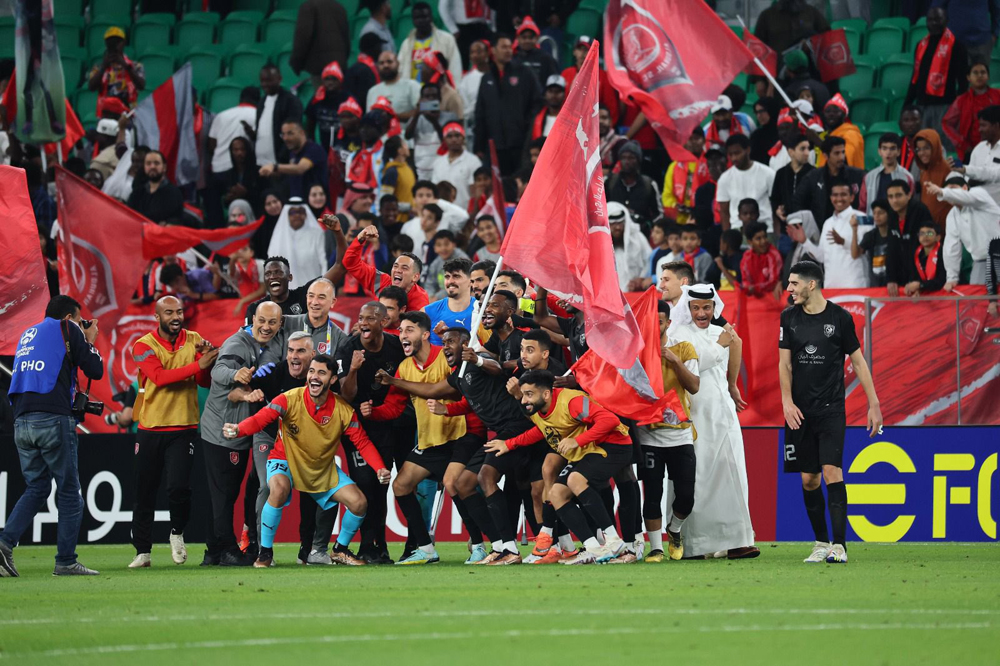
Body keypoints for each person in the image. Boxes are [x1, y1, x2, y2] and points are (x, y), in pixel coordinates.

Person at [225, 355, 391, 567]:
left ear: (332, 380)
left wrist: (380, 469)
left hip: (319, 468)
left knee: (359, 503)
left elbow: (362, 442)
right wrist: (239, 429)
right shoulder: (288, 399)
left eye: (321, 373)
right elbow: (261, 419)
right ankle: (265, 552)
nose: (314, 376)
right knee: (277, 489)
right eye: (312, 371)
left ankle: (339, 550)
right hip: (285, 460)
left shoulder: (343, 410)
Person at [360, 315, 488, 564]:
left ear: (426, 334)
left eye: (410, 330)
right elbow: (394, 407)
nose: (403, 335)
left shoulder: (446, 356)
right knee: (401, 486)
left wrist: (397, 382)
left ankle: (479, 546)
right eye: (400, 331)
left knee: (454, 485)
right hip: (431, 440)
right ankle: (426, 548)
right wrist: (372, 412)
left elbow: (453, 389)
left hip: (459, 434)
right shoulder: (405, 367)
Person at [780, 260, 882, 564]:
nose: (789, 289)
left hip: (831, 410)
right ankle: (821, 542)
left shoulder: (840, 318)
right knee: (809, 479)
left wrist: (873, 403)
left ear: (812, 285)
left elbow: (860, 362)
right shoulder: (788, 318)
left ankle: (840, 546)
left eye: (794, 283)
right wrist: (787, 402)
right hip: (799, 412)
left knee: (831, 471)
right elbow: (784, 364)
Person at [1, 296, 105, 577]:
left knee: (37, 487)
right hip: (52, 419)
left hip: (21, 421)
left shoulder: (27, 334)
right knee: (70, 492)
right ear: (70, 317)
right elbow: (96, 369)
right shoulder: (68, 329)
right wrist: (89, 338)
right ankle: (66, 561)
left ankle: (4, 543)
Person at [485, 369, 633, 565]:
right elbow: (542, 431)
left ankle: (614, 541)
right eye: (523, 395)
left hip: (615, 444)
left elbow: (610, 420)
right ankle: (593, 548)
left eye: (529, 394)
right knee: (556, 494)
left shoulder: (572, 401)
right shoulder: (539, 410)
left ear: (546, 393)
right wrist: (509, 444)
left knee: (575, 479)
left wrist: (577, 441)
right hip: (589, 450)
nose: (524, 401)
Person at [127, 296, 218, 568]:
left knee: (178, 488)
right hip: (150, 427)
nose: (176, 316)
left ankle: (176, 533)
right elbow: (159, 378)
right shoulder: (142, 345)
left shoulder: (194, 339)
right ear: (157, 317)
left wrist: (205, 359)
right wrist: (197, 365)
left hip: (184, 426)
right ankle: (142, 552)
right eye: (169, 313)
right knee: (145, 491)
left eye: (179, 311)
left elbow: (203, 381)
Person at [668, 285, 757, 559]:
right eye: (696, 307)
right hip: (694, 413)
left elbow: (736, 344)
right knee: (699, 477)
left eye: (707, 307)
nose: (702, 313)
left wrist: (732, 385)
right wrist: (720, 346)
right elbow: (695, 366)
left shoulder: (721, 332)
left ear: (714, 307)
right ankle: (695, 546)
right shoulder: (676, 333)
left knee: (733, 474)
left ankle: (738, 541)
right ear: (688, 308)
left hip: (724, 412)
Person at [198, 302, 283, 566]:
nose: (266, 327)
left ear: (280, 325)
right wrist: (238, 373)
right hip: (222, 433)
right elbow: (217, 372)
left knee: (227, 492)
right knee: (225, 493)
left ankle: (213, 552)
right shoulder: (237, 344)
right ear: (252, 320)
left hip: (235, 430)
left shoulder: (265, 345)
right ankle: (227, 550)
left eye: (272, 323)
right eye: (262, 321)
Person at [335, 301, 413, 562]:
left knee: (390, 483)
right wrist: (355, 369)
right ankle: (368, 545)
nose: (364, 323)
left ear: (383, 322)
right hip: (359, 427)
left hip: (392, 423)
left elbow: (407, 381)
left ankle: (394, 546)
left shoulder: (394, 346)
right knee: (367, 483)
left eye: (370, 318)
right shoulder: (348, 348)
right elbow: (346, 395)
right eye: (361, 318)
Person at [635, 294, 698, 562]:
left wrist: (674, 361)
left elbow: (694, 386)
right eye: (649, 321)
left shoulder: (683, 348)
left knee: (686, 497)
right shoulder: (636, 352)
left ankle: (674, 530)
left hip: (680, 434)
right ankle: (656, 548)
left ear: (668, 323)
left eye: (659, 321)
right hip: (648, 435)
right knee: (652, 494)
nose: (654, 326)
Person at [473, 33, 542, 175]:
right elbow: (480, 113)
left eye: (510, 47)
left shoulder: (524, 73)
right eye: (504, 47)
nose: (508, 50)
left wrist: (526, 127)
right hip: (495, 145)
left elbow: (537, 102)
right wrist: (479, 145)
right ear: (493, 50)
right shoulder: (486, 78)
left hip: (520, 144)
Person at [905, 7, 968, 146]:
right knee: (922, 147)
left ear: (946, 21)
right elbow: (915, 78)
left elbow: (963, 83)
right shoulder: (920, 45)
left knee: (943, 147)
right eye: (930, 20)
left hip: (944, 107)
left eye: (938, 19)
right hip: (922, 106)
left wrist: (956, 109)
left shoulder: (957, 46)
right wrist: (907, 103)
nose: (934, 23)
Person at [926, 174, 1000, 287]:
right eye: (947, 190)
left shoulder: (979, 193)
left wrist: (942, 192)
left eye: (953, 188)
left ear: (965, 188)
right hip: (980, 261)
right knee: (977, 301)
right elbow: (951, 247)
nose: (950, 193)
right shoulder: (952, 216)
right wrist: (952, 277)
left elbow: (966, 197)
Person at [338, 223, 430, 310]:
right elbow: (350, 262)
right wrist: (360, 239)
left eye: (404, 268)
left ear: (415, 277)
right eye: (396, 266)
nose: (398, 270)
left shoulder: (420, 299)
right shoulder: (382, 281)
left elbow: (415, 326)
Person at [791, 136, 864, 230]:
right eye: (836, 153)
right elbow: (797, 201)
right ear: (825, 155)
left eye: (843, 152)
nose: (841, 157)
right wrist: (808, 226)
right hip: (822, 232)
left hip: (851, 229)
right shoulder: (813, 177)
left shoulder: (857, 175)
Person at [208, 87, 260, 218]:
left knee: (217, 210)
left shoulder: (222, 115)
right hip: (241, 171)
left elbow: (211, 144)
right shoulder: (258, 115)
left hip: (219, 169)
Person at [812, 182, 870, 288]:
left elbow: (864, 250)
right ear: (830, 198)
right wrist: (804, 242)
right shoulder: (827, 223)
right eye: (835, 195)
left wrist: (843, 242)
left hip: (855, 284)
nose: (839, 198)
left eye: (843, 194)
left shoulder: (863, 218)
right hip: (831, 286)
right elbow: (821, 257)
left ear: (852, 197)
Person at [942, 61, 1000, 162]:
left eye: (983, 72)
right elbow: (946, 123)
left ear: (988, 76)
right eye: (975, 73)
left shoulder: (998, 95)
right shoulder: (961, 100)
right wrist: (962, 143)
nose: (979, 75)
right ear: (968, 77)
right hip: (970, 150)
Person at [717, 134, 776, 233]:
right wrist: (727, 237)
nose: (734, 158)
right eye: (730, 154)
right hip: (738, 230)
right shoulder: (724, 179)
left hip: (765, 229)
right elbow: (724, 212)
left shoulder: (768, 173)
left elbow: (775, 205)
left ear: (748, 150)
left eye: (737, 153)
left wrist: (776, 233)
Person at [266, 199, 327, 289]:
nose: (297, 215)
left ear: (306, 214)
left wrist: (324, 286)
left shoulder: (317, 234)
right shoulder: (278, 237)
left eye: (301, 212)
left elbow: (324, 263)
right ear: (287, 215)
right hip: (285, 292)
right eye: (293, 212)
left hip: (313, 290)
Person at [259, 121, 329, 199]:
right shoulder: (293, 153)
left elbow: (299, 169)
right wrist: (271, 172)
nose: (285, 138)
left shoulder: (314, 149)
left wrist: (274, 167)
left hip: (316, 203)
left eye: (290, 133)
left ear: (302, 133)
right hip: (296, 202)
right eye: (283, 134)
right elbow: (291, 172)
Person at [397, 2, 462, 84]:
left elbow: (455, 68)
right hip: (413, 92)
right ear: (413, 20)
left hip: (437, 91)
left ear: (431, 18)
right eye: (417, 18)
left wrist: (453, 89)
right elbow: (400, 71)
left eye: (424, 17)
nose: (421, 21)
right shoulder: (406, 44)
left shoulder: (447, 40)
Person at [253, 65, 304, 168]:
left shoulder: (291, 101)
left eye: (269, 80)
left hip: (280, 165)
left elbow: (293, 132)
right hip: (261, 164)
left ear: (279, 79)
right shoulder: (262, 101)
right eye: (262, 81)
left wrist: (281, 160)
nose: (265, 84)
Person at [851, 199, 907, 295]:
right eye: (874, 213)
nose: (876, 216)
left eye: (880, 213)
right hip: (876, 286)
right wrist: (854, 230)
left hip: (895, 285)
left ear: (888, 214)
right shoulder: (870, 235)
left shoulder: (896, 234)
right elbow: (855, 254)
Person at [605, 140, 662, 230]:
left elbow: (659, 214)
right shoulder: (610, 181)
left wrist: (647, 225)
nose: (626, 161)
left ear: (638, 160)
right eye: (623, 158)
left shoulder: (649, 184)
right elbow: (599, 209)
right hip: (613, 233)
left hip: (640, 234)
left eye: (631, 158)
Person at [86, 26, 144, 109]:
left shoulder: (135, 66)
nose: (114, 45)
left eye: (117, 42)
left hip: (128, 114)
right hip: (106, 113)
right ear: (106, 44)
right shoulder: (98, 67)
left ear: (123, 43)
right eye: (111, 42)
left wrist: (126, 66)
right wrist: (103, 67)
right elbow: (91, 87)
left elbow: (141, 86)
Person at [290, 0, 349, 80]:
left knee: (321, 92)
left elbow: (303, 37)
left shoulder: (308, 6)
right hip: (339, 67)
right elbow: (346, 40)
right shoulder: (339, 7)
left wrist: (296, 63)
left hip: (320, 67)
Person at [860, 133, 915, 216]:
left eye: (892, 148)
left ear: (898, 151)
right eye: (884, 148)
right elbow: (863, 206)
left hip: (898, 224)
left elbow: (911, 205)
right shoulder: (869, 177)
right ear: (879, 151)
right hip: (874, 224)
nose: (888, 152)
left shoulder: (907, 177)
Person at [423, 257, 475, 343]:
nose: (450, 281)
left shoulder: (481, 312)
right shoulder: (427, 312)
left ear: (471, 281)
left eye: (456, 276)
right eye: (447, 277)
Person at [661, 128, 707, 224]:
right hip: (678, 221)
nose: (693, 142)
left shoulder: (709, 164)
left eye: (696, 138)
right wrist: (675, 205)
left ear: (704, 141)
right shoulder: (674, 166)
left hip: (702, 219)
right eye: (689, 139)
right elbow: (667, 195)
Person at [127, 150, 184, 225]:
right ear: (144, 167)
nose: (152, 166)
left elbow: (176, 219)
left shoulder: (173, 193)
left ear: (164, 167)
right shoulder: (137, 193)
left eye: (156, 163)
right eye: (148, 163)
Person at [606, 202, 651, 293]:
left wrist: (642, 279)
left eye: (620, 223)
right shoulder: (598, 245)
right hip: (608, 296)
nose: (617, 227)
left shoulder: (638, 238)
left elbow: (649, 261)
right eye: (613, 224)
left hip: (635, 295)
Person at [771, 133, 815, 225]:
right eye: (802, 149)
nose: (807, 153)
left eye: (808, 148)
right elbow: (775, 199)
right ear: (791, 152)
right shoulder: (781, 173)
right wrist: (777, 210)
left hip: (809, 228)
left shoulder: (815, 174)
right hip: (787, 228)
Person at [305, 62, 352, 147]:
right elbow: (310, 125)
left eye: (334, 79)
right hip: (324, 146)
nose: (330, 82)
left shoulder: (348, 99)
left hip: (344, 147)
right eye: (327, 79)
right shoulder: (317, 98)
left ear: (340, 80)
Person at [914, 129, 954, 229]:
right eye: (918, 149)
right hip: (929, 229)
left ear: (935, 147)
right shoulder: (925, 171)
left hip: (945, 230)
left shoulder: (948, 170)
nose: (922, 153)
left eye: (926, 148)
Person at [754, 0, 829, 52]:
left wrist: (811, 44)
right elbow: (758, 50)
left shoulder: (812, 13)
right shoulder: (767, 16)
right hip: (777, 72)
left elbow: (828, 41)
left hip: (809, 71)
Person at [438, 0, 493, 71]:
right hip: (463, 29)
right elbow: (443, 7)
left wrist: (492, 25)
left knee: (488, 59)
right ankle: (463, 80)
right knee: (462, 62)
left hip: (481, 26)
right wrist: (453, 29)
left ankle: (488, 80)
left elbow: (490, 5)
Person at [963, 105, 1000, 207]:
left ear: (996, 126)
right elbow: (967, 178)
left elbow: (996, 175)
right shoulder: (979, 148)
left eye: (984, 125)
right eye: (979, 125)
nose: (979, 130)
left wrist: (978, 178)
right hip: (977, 209)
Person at [366, 51, 422, 119]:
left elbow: (421, 111)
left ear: (398, 64)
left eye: (389, 62)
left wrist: (393, 117)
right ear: (377, 66)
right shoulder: (372, 92)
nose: (386, 65)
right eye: (381, 63)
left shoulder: (412, 86)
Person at [819, 94, 865, 170]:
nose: (831, 114)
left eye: (836, 111)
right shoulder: (828, 135)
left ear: (844, 115)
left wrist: (819, 143)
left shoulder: (851, 134)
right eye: (828, 111)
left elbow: (842, 161)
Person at [885, 179, 935, 249]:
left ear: (909, 195)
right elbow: (892, 245)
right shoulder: (891, 213)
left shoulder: (920, 211)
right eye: (890, 197)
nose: (894, 200)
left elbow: (928, 240)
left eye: (898, 195)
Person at [510, 15, 558, 86]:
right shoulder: (512, 58)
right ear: (518, 38)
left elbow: (554, 82)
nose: (527, 40)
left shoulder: (546, 58)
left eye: (531, 37)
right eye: (524, 37)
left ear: (537, 38)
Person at [740, 221, 783, 298]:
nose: (763, 241)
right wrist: (749, 288)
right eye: (758, 238)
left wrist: (754, 288)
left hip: (772, 298)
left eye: (765, 237)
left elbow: (773, 282)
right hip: (754, 299)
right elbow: (745, 280)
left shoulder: (774, 255)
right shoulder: (746, 256)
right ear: (750, 242)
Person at [904, 221, 948, 295]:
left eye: (929, 233)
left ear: (938, 237)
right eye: (922, 233)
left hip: (944, 293)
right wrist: (916, 288)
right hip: (927, 292)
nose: (925, 236)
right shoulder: (916, 254)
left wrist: (920, 285)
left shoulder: (944, 252)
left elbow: (942, 280)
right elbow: (914, 277)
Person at [345, 33, 383, 112]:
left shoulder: (354, 67)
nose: (381, 50)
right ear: (373, 48)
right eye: (379, 47)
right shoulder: (366, 71)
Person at [750, 97, 782, 165]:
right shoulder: (757, 136)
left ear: (771, 110)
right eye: (756, 112)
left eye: (761, 111)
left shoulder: (784, 132)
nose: (758, 116)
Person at [599, 104, 628, 176]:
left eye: (604, 118)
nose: (600, 121)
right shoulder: (584, 143)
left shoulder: (621, 142)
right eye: (596, 118)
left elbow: (624, 168)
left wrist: (608, 172)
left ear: (610, 121)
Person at [898, 105, 922, 174]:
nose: (911, 124)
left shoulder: (929, 144)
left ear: (921, 122)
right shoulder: (896, 144)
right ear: (900, 124)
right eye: (906, 120)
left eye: (914, 119)